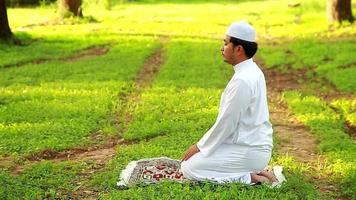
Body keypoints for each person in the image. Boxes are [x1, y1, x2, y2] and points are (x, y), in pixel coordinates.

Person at [180, 21, 279, 185]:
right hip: (250, 146)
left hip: (249, 150)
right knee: (196, 161)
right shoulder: (252, 70)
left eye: (226, 43)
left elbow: (227, 123)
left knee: (189, 167)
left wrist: (200, 146)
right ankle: (251, 170)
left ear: (239, 49)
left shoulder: (243, 80)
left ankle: (250, 178)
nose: (222, 48)